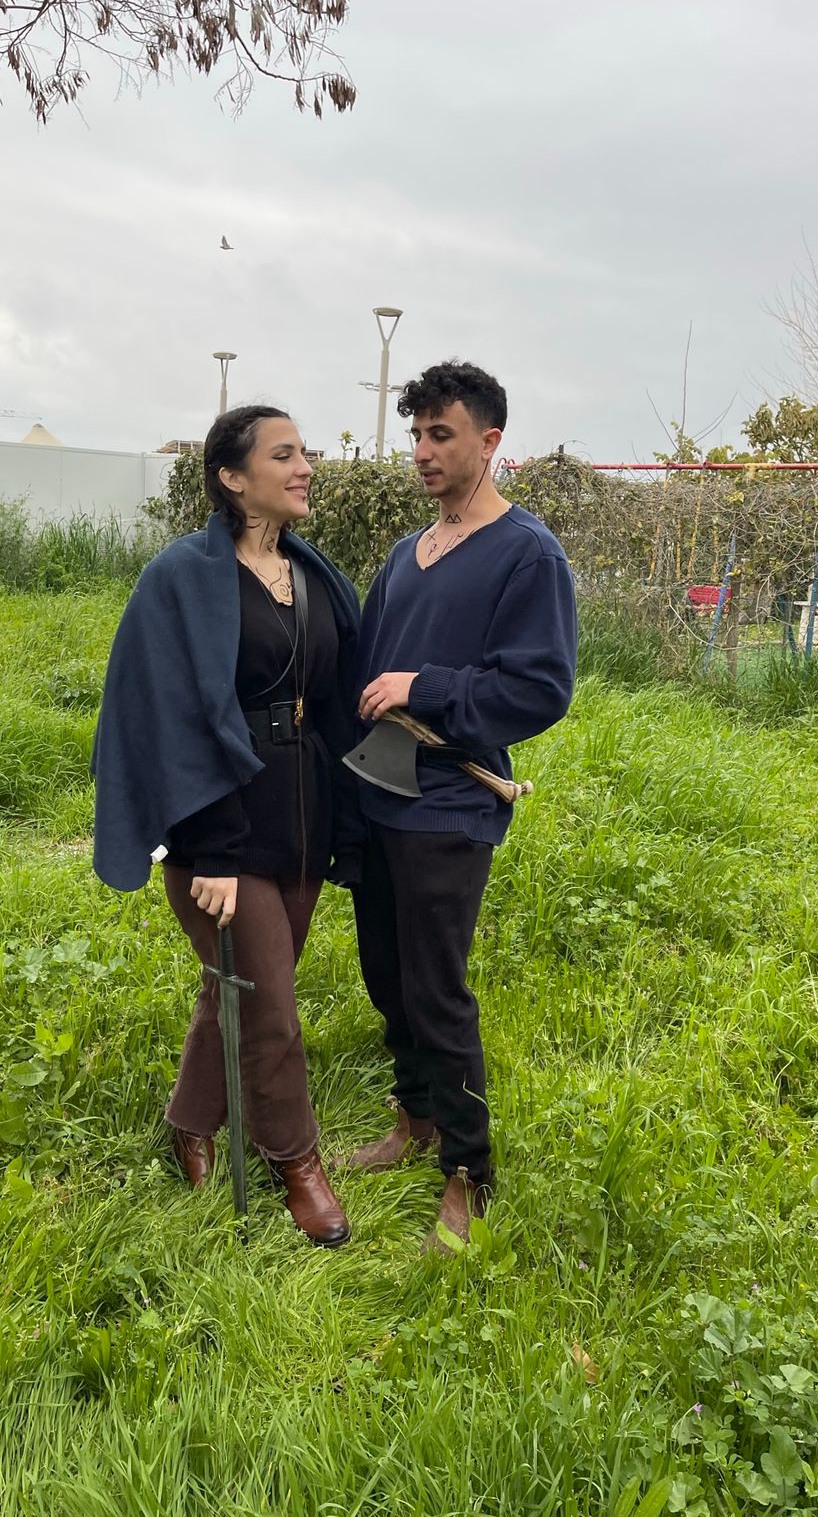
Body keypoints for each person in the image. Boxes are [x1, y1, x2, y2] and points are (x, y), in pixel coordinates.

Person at [92, 405, 362, 1247]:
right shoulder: (180, 578)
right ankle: (297, 1165)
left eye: (305, 452)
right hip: (223, 830)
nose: (305, 466)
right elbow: (169, 717)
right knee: (272, 1004)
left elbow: (338, 696)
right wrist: (208, 847)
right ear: (233, 477)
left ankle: (188, 1122)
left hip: (302, 814)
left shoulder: (310, 572)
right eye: (284, 455)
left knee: (237, 985)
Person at [338, 361, 577, 1252]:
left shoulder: (527, 554)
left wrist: (425, 687)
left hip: (449, 801)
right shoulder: (409, 552)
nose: (423, 452)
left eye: (442, 434)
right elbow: (365, 665)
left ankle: (468, 1173)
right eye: (417, 435)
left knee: (436, 988)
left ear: (490, 440)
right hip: (379, 789)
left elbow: (541, 688)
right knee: (386, 975)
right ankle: (416, 1117)